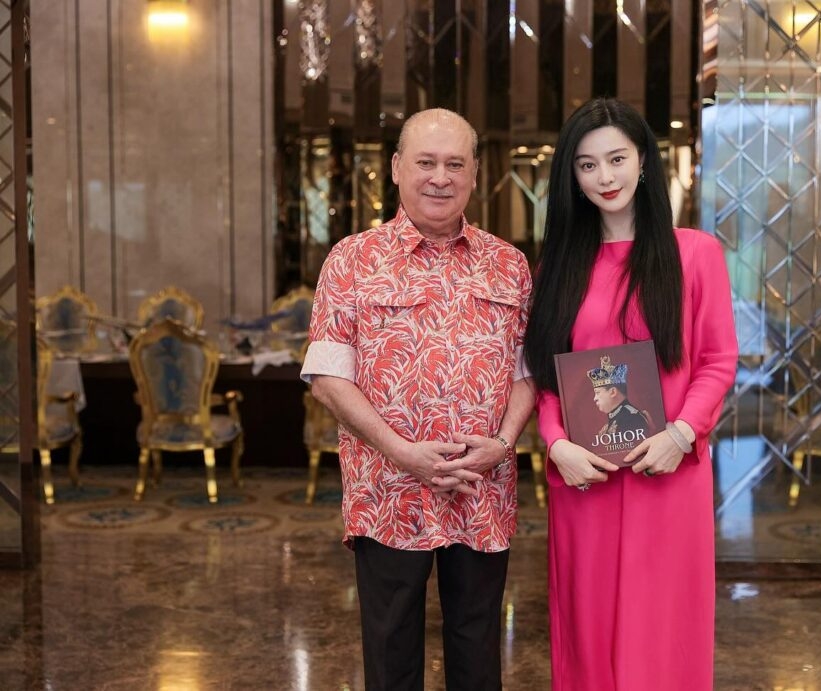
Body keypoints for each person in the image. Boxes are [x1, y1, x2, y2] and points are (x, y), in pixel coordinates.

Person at [301, 108, 535, 691]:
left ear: (475, 175)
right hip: (389, 490)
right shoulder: (352, 260)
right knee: (390, 647)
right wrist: (403, 452)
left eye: (455, 164)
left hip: (482, 488)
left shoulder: (510, 264)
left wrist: (503, 443)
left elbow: (530, 373)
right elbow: (329, 377)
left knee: (477, 645)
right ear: (398, 169)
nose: (440, 177)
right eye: (426, 162)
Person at [523, 98, 738, 690]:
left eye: (616, 159)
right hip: (585, 477)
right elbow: (547, 375)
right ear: (572, 175)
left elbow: (717, 361)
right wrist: (556, 444)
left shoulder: (694, 253)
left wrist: (681, 433)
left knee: (663, 625)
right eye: (587, 165)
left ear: (643, 162)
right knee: (588, 625)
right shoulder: (560, 266)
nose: (605, 177)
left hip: (667, 472)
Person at [588, 355, 653, 438]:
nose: (595, 398)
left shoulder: (632, 418)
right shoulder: (616, 419)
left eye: (597, 392)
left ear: (613, 392)